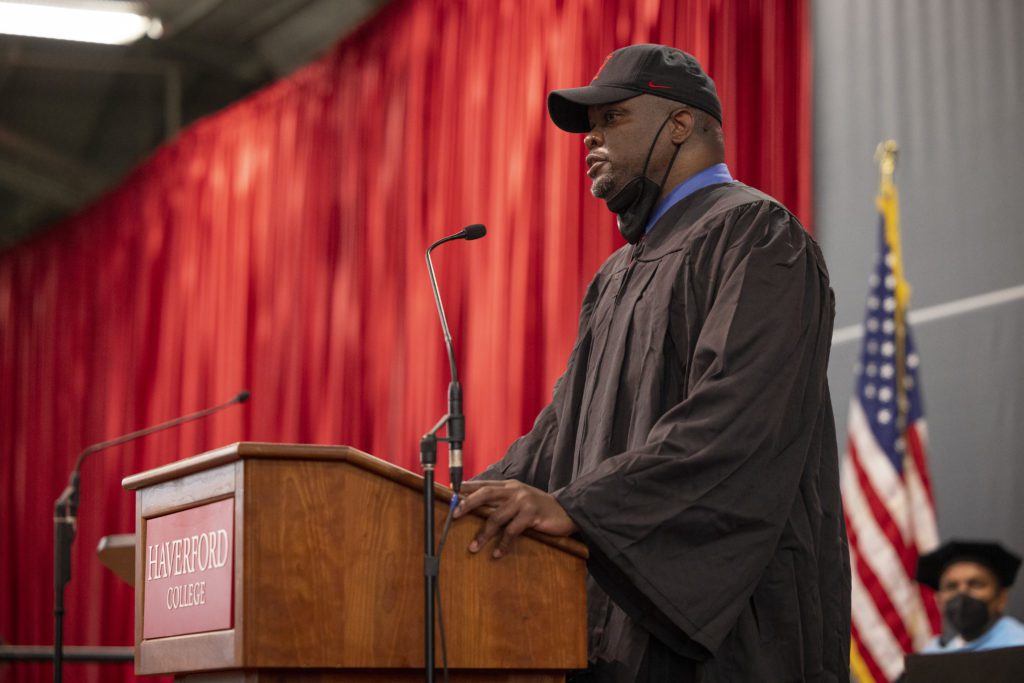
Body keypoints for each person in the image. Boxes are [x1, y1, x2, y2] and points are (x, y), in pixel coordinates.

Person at [452, 44, 850, 682]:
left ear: (681, 124)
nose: (590, 139)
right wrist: (458, 502)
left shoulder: (756, 236)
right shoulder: (617, 274)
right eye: (591, 126)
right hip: (616, 620)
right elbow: (564, 430)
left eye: (612, 119)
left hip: (733, 631)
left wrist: (581, 510)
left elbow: (738, 421)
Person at [916, 539, 1024, 653]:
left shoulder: (1018, 646)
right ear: (940, 601)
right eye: (951, 587)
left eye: (975, 584)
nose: (962, 593)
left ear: (1002, 598)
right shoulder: (933, 656)